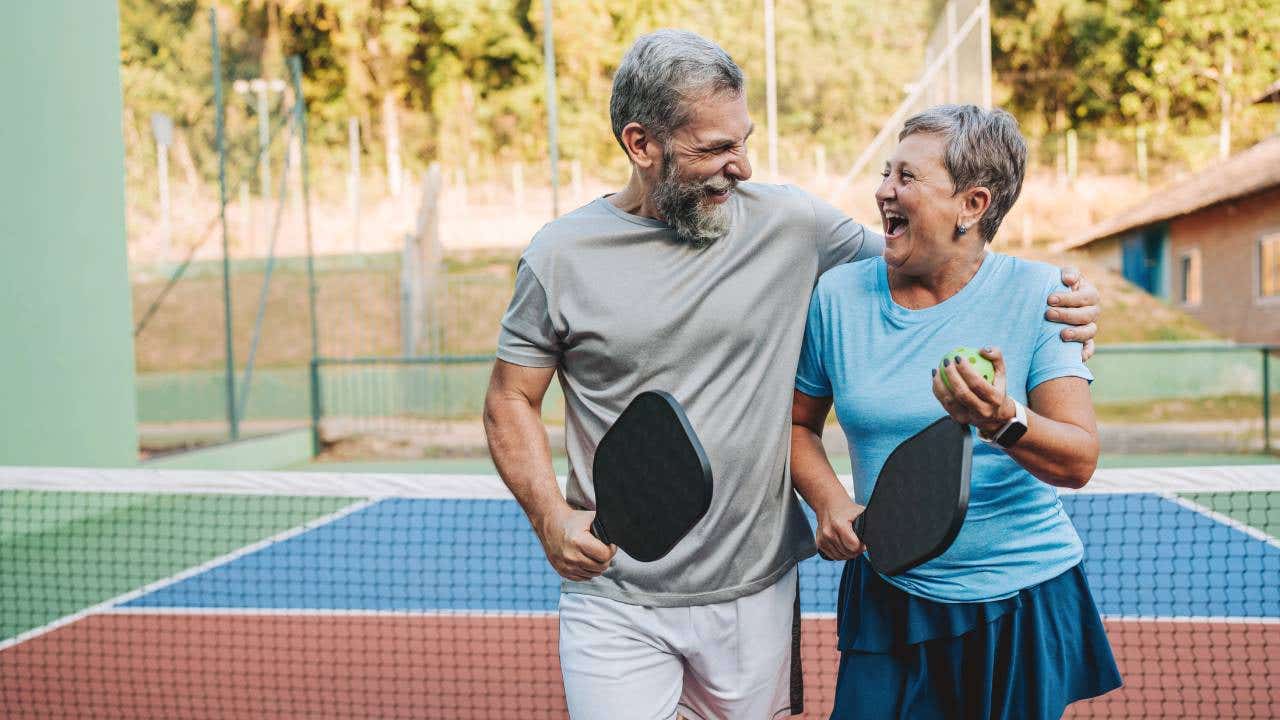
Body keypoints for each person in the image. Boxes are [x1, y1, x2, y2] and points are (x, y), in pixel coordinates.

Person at [483, 31, 1101, 719]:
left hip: (754, 590)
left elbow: (946, 259)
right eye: (716, 149)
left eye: (743, 141)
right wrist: (549, 518)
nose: (741, 166)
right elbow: (510, 397)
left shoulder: (793, 224)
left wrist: (1058, 301)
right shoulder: (560, 256)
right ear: (641, 144)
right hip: (616, 592)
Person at [790, 104, 1122, 719]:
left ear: (972, 204)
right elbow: (796, 425)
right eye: (888, 172)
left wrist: (1003, 420)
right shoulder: (836, 296)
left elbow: (1078, 461)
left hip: (1020, 600)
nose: (883, 189)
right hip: (890, 589)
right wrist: (830, 501)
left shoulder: (1043, 295)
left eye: (907, 178)